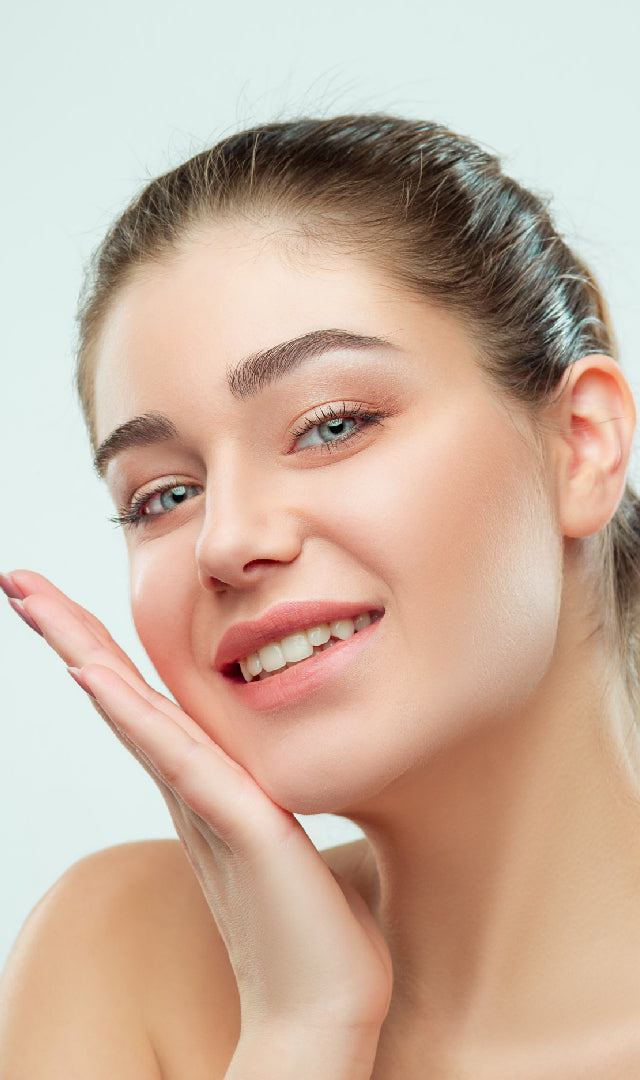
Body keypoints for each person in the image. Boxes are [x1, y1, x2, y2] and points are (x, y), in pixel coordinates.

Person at [1, 114, 639, 1079]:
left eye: (332, 425)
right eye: (164, 496)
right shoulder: (121, 955)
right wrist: (301, 1034)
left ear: (581, 446)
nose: (225, 541)